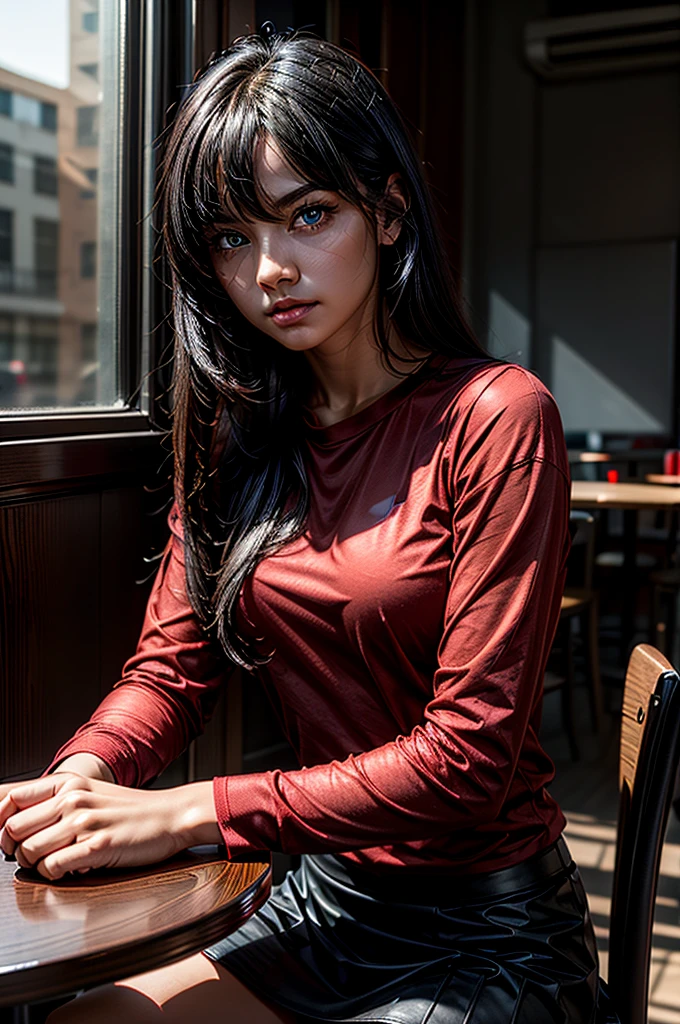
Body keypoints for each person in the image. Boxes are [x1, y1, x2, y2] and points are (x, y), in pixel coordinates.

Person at [0, 24, 617, 1024]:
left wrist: (191, 809)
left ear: (386, 210)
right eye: (233, 237)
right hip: (322, 902)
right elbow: (169, 670)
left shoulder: (496, 415)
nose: (270, 268)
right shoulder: (242, 437)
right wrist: (81, 778)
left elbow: (464, 758)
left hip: (485, 935)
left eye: (307, 215)